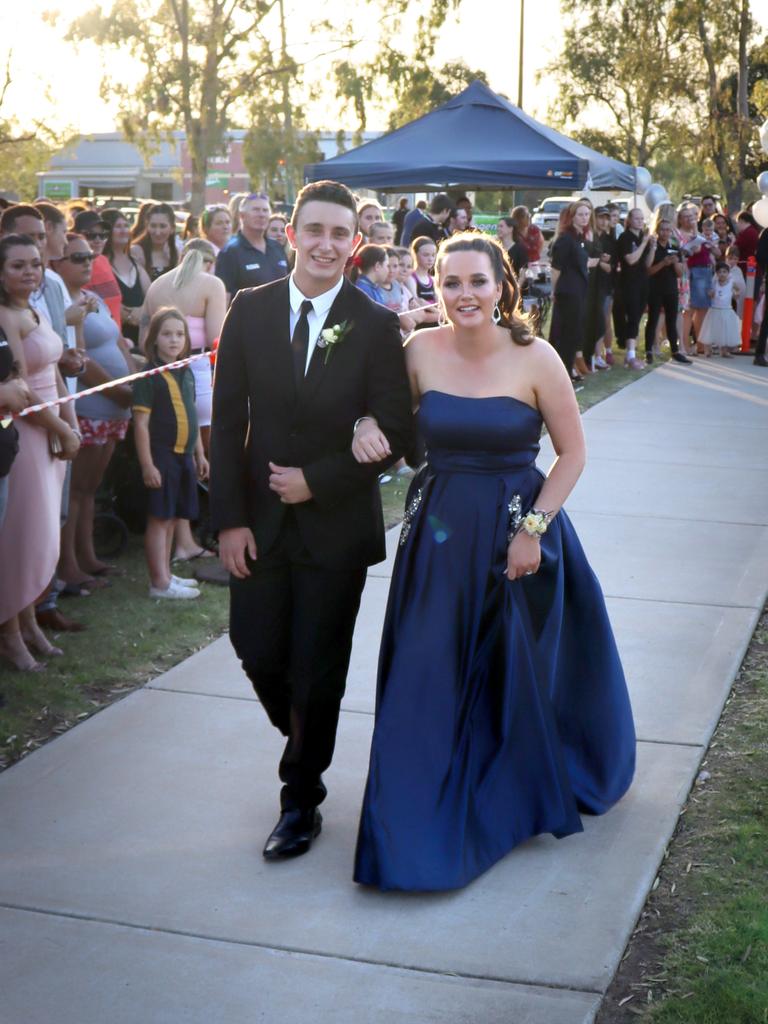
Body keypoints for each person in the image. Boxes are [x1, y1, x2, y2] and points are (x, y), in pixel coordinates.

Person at [350, 232, 635, 891]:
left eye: (477, 281)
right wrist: (364, 423)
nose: (463, 295)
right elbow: (388, 426)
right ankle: (412, 826)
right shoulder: (418, 351)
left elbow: (572, 454)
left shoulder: (536, 357)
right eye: (450, 283)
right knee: (428, 672)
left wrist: (534, 530)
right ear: (436, 288)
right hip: (441, 538)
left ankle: (508, 795)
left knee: (513, 677)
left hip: (519, 535)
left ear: (503, 285)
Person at [209, 179, 413, 861]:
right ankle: (302, 735)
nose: (326, 244)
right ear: (291, 234)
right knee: (258, 650)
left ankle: (301, 798)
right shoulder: (249, 309)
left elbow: (397, 430)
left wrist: (318, 479)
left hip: (335, 530)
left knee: (317, 669)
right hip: (257, 527)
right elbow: (227, 421)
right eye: (314, 231)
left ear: (355, 244)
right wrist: (228, 521)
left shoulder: (377, 324)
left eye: (339, 234)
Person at [0, 235, 80, 670]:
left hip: (53, 428)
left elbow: (53, 372)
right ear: (0, 272)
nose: (29, 272)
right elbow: (20, 390)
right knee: (22, 537)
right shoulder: (4, 315)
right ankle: (10, 634)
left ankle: (30, 624)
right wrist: (58, 427)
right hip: (29, 432)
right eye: (17, 266)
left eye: (34, 264)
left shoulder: (34, 308)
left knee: (43, 532)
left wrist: (71, 420)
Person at [55, 233, 134, 591]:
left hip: (117, 407)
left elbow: (119, 343)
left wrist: (135, 382)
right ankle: (68, 565)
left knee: (91, 488)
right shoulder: (61, 306)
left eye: (89, 255)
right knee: (75, 490)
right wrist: (118, 390)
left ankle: (88, 557)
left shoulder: (93, 299)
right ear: (58, 263)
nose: (88, 262)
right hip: (91, 405)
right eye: (77, 257)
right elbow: (77, 359)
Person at [133, 308, 208, 598]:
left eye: (179, 334)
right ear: (154, 339)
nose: (174, 340)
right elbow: (140, 424)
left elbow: (192, 416)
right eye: (166, 334)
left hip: (184, 457)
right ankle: (158, 583)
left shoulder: (185, 371)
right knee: (160, 518)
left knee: (174, 516)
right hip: (161, 457)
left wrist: (199, 453)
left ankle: (166, 574)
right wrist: (147, 465)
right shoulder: (148, 376)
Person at [549, 201, 599, 382]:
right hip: (567, 291)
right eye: (581, 214)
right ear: (572, 217)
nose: (585, 218)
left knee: (574, 333)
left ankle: (569, 370)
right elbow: (556, 269)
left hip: (578, 291)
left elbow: (578, 263)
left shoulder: (580, 238)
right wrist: (553, 291)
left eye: (587, 214)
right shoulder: (565, 238)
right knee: (566, 334)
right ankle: (563, 373)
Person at [215, 192, 289, 302]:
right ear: (242, 216)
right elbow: (223, 297)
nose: (261, 214)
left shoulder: (277, 247)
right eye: (256, 210)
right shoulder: (230, 251)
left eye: (265, 210)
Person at [102, 208, 151, 349]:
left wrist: (142, 312)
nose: (124, 230)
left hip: (139, 338)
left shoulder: (135, 263)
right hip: (115, 340)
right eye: (118, 227)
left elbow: (151, 296)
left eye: (125, 226)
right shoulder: (101, 263)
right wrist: (129, 316)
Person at [644, 219, 691, 365]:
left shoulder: (675, 247)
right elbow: (648, 270)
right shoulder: (653, 247)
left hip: (671, 289)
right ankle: (649, 351)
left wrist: (675, 262)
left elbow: (679, 273)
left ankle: (675, 351)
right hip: (655, 289)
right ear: (657, 231)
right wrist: (663, 263)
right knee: (653, 320)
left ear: (671, 232)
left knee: (672, 320)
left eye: (668, 230)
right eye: (662, 229)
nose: (665, 232)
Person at [74, 210, 124, 325]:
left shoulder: (104, 261)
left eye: (102, 235)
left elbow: (114, 308)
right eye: (91, 235)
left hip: (115, 340)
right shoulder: (73, 266)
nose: (98, 240)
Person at [616, 208, 651, 369]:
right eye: (636, 218)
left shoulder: (643, 237)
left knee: (637, 317)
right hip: (629, 283)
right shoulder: (625, 237)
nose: (640, 221)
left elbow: (647, 263)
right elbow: (631, 260)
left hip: (642, 281)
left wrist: (653, 247)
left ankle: (631, 353)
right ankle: (630, 356)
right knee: (632, 318)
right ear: (629, 220)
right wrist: (644, 244)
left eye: (642, 218)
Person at [699, 262, 743, 358]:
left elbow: (738, 290)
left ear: (728, 273)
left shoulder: (731, 283)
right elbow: (709, 292)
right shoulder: (714, 283)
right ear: (716, 273)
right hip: (715, 310)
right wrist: (710, 294)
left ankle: (724, 351)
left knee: (724, 331)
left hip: (726, 310)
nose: (722, 274)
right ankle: (707, 350)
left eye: (724, 272)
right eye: (719, 272)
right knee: (710, 330)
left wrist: (736, 294)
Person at [130, 202, 180, 281]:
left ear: (172, 229)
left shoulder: (175, 252)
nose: (157, 232)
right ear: (147, 226)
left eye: (162, 226)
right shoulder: (136, 251)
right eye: (153, 226)